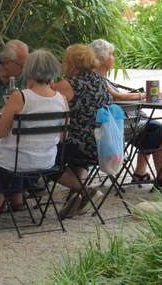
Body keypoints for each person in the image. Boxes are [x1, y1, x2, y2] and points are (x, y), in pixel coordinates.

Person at [0, 49, 68, 214]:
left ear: (28, 70)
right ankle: (17, 198)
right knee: (17, 150)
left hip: (17, 161)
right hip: (47, 161)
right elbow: (64, 136)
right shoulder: (61, 99)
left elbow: (0, 132)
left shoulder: (19, 97)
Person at [88, 39, 162, 188]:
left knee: (151, 127)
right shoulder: (97, 79)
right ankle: (161, 178)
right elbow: (117, 97)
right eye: (111, 55)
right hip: (114, 129)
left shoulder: (92, 78)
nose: (113, 58)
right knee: (158, 129)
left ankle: (141, 173)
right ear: (101, 59)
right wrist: (145, 95)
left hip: (108, 125)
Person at [53, 44, 110, 218]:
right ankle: (76, 196)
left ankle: (85, 191)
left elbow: (44, 101)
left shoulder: (67, 84)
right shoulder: (101, 80)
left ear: (70, 64)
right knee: (77, 142)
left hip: (75, 145)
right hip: (99, 144)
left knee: (41, 156)